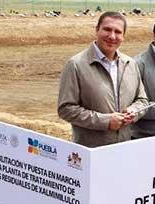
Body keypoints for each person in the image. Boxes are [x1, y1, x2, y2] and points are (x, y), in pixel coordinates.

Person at [57, 11, 148, 148]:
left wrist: (134, 111)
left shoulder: (130, 64)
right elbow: (66, 109)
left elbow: (143, 100)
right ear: (97, 30)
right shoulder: (76, 65)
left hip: (124, 147)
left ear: (123, 36)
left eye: (118, 32)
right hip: (91, 151)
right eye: (107, 29)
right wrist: (105, 121)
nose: (112, 36)